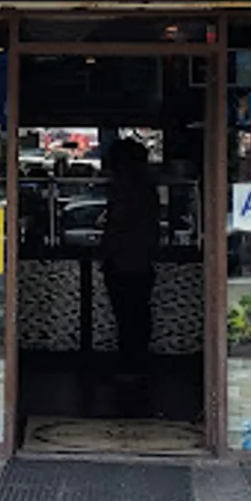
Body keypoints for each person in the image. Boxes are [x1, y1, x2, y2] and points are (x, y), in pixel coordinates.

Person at [99, 136, 160, 378]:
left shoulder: (123, 189)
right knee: (138, 314)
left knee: (127, 316)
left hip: (123, 261)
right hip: (142, 260)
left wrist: (106, 253)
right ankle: (137, 364)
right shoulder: (147, 188)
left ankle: (130, 365)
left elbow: (116, 226)